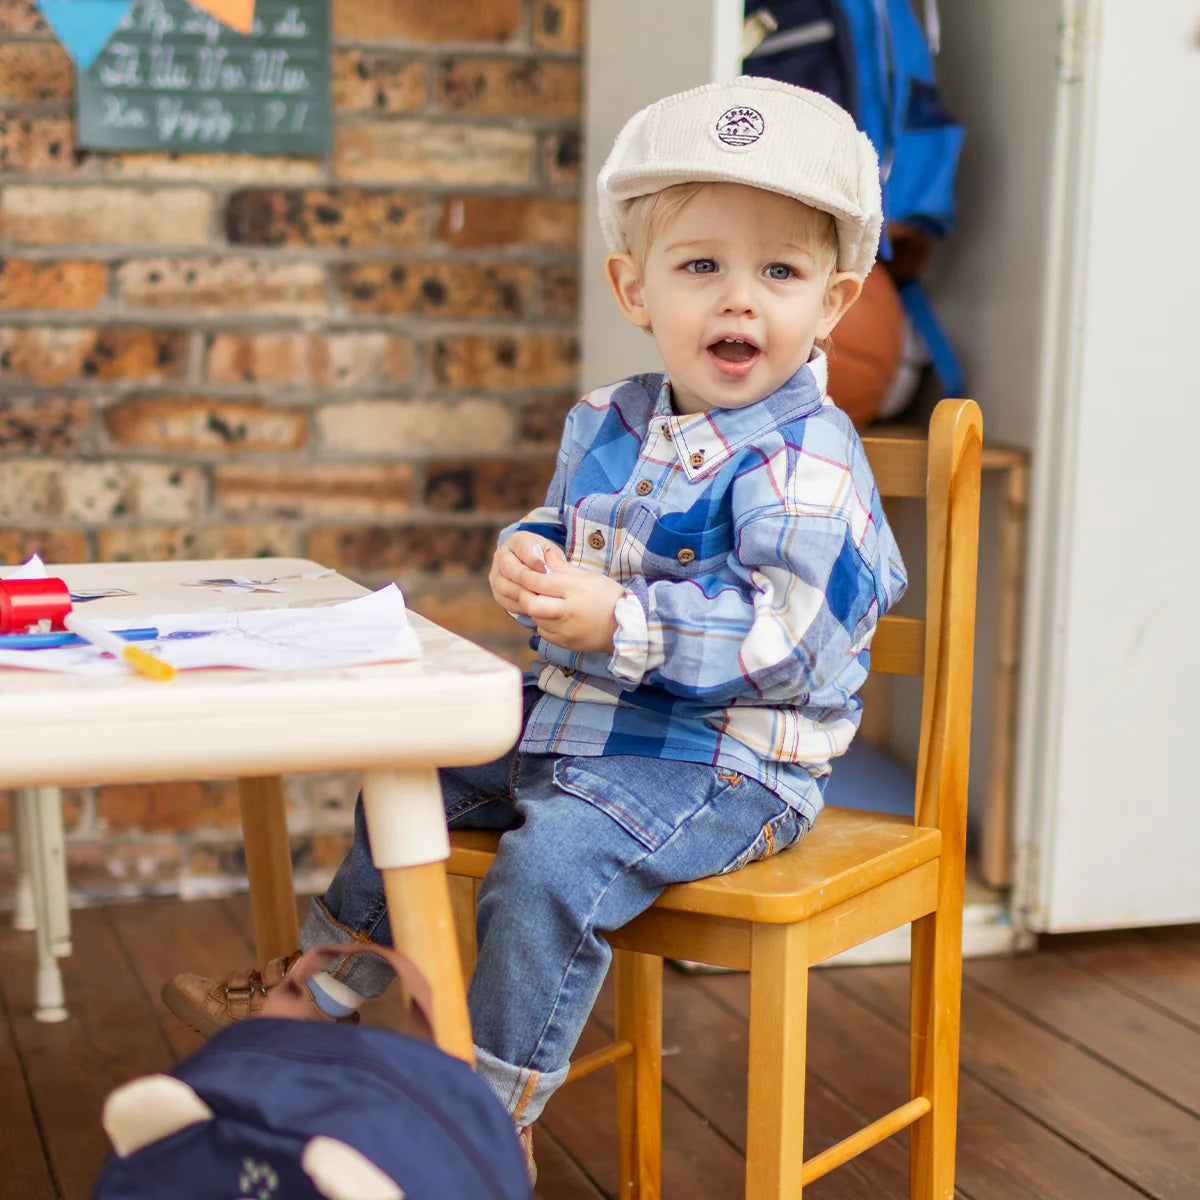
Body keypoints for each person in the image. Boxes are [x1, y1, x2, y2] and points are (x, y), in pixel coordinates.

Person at [163, 75, 906, 1176]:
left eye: (781, 274)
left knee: (547, 863)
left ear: (834, 303)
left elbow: (790, 640)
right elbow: (565, 527)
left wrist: (623, 619)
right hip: (579, 722)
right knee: (409, 772)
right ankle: (316, 997)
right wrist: (528, 552)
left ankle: (482, 1122)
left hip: (726, 763)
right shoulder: (608, 419)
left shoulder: (809, 459)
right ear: (634, 287)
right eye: (701, 267)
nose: (740, 303)